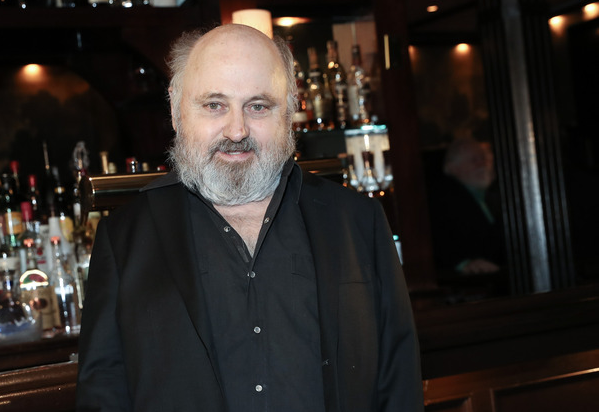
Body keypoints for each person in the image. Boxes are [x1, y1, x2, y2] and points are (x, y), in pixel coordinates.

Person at [75, 24, 423, 412]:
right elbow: (102, 394)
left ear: (290, 109)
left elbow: (399, 380)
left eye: (258, 106)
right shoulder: (123, 240)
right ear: (176, 109)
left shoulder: (359, 221)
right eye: (214, 105)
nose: (237, 130)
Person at [427, 137, 507, 299]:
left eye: (485, 159)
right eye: (474, 160)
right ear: (451, 168)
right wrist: (464, 264)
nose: (482, 164)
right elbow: (436, 238)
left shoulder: (498, 193)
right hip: (470, 290)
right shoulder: (441, 198)